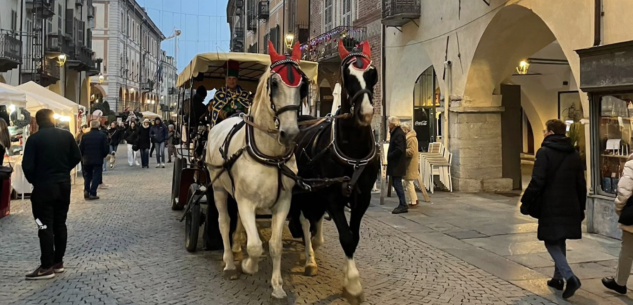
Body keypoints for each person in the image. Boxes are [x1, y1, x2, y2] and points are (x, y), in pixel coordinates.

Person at [521, 119, 586, 299]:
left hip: (551, 204)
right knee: (560, 239)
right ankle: (557, 279)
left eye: (544, 130)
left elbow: (537, 181)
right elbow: (581, 183)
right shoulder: (573, 153)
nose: (543, 133)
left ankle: (569, 276)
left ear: (550, 132)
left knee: (550, 240)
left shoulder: (544, 152)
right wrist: (582, 206)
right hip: (571, 203)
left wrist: (526, 201)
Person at [22, 109, 82, 280]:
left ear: (37, 122)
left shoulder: (34, 139)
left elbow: (27, 166)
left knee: (43, 225)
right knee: (60, 223)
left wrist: (36, 180)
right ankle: (58, 262)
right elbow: (76, 157)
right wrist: (64, 170)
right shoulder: (66, 136)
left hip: (43, 187)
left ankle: (46, 266)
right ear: (53, 119)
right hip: (63, 185)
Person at [602, 154, 633, 295]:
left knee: (627, 250)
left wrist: (620, 210)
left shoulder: (631, 164)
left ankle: (620, 282)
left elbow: (624, 192)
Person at [209, 60, 252, 126]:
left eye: (234, 79)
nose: (231, 81)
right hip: (224, 124)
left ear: (237, 80)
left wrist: (243, 113)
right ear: (226, 80)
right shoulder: (219, 93)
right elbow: (217, 111)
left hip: (243, 122)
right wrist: (227, 115)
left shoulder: (244, 94)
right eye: (229, 79)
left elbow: (249, 109)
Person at [79, 120, 109, 200]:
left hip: (86, 159)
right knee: (96, 176)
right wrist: (103, 155)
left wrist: (83, 157)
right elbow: (106, 148)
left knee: (87, 175)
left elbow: (81, 148)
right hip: (97, 159)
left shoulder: (85, 136)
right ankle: (92, 192)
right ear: (98, 126)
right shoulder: (102, 135)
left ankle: (86, 190)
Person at [387, 116, 408, 214]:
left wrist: (390, 155)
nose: (388, 125)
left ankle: (403, 204)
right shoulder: (395, 132)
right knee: (396, 183)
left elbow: (399, 149)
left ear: (392, 124)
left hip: (397, 163)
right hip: (395, 163)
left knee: (397, 183)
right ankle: (402, 204)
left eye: (389, 123)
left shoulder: (398, 134)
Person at [401, 122, 419, 208]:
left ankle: (413, 201)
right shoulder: (409, 138)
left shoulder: (411, 139)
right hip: (409, 162)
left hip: (410, 163)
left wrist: (401, 151)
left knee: (409, 182)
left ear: (406, 130)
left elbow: (411, 151)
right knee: (408, 182)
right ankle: (414, 199)